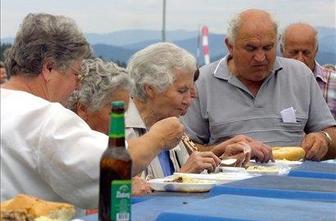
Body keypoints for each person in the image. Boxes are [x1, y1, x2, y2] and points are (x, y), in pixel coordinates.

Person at [0, 13, 184, 209]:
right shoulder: (44, 118)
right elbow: (110, 165)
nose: (77, 87)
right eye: (76, 74)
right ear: (49, 68)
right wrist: (158, 137)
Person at [182, 9, 336, 161]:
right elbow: (184, 148)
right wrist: (219, 151)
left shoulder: (300, 75)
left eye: (268, 48)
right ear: (230, 45)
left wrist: (324, 139)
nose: (260, 57)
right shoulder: (203, 82)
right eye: (251, 48)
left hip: (294, 181)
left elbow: (331, 133)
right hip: (228, 182)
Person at [126, 42, 254, 179]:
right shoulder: (120, 131)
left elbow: (196, 175)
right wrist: (183, 176)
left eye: (191, 91)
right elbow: (132, 192)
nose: (189, 100)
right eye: (182, 91)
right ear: (150, 89)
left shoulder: (171, 125)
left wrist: (224, 163)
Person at [66, 58, 152, 195]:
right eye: (116, 113)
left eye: (124, 114)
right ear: (83, 109)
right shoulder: (67, 146)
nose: (123, 123)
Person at [280, 23, 336, 119]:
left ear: (316, 50)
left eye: (306, 53)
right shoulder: (270, 83)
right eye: (294, 52)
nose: (300, 59)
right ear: (282, 50)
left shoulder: (333, 83)